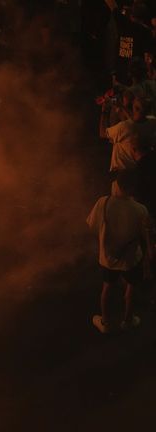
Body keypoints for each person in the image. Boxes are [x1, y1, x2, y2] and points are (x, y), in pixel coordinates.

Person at [87, 170, 152, 333]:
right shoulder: (140, 209)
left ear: (117, 184)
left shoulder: (104, 202)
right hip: (131, 259)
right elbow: (145, 234)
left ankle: (105, 323)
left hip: (108, 258)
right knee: (131, 288)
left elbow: (92, 225)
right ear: (133, 188)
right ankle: (128, 320)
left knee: (107, 288)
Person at [104, 95, 156, 171]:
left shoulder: (124, 127)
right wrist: (122, 106)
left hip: (122, 172)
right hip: (140, 170)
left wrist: (104, 111)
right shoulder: (153, 122)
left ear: (134, 108)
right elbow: (135, 120)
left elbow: (103, 133)